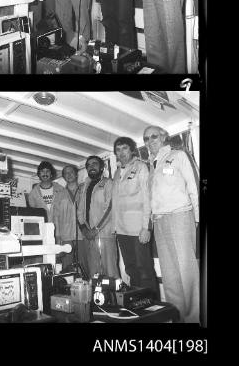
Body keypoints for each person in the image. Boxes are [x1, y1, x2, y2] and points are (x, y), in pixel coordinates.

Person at [143, 125, 199, 323]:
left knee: (187, 271)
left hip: (180, 216)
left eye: (154, 136)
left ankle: (194, 319)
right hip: (159, 221)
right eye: (146, 139)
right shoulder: (151, 165)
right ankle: (178, 316)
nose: (150, 141)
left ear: (164, 137)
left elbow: (194, 187)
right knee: (169, 274)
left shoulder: (179, 155)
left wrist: (198, 220)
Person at [112, 137, 159, 296]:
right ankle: (137, 302)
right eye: (118, 150)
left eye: (125, 148)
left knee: (144, 269)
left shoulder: (141, 167)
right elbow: (116, 203)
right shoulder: (117, 172)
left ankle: (152, 305)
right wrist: (115, 228)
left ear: (132, 150)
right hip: (122, 230)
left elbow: (147, 198)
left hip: (138, 229)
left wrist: (146, 227)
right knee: (131, 268)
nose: (121, 152)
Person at [77, 155, 119, 279]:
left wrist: (96, 229)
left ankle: (114, 298)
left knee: (110, 272)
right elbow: (79, 211)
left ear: (102, 167)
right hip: (89, 237)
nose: (91, 167)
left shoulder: (108, 183)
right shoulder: (84, 187)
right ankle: (97, 298)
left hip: (104, 235)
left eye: (94, 164)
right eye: (88, 165)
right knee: (93, 274)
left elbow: (110, 208)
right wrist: (84, 230)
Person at [53, 164, 88, 276]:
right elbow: (56, 217)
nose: (69, 175)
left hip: (83, 236)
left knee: (84, 266)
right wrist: (58, 238)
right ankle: (68, 291)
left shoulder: (84, 190)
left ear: (76, 174)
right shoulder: (59, 195)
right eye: (66, 173)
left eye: (71, 172)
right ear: (63, 177)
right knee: (67, 269)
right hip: (66, 237)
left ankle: (85, 291)